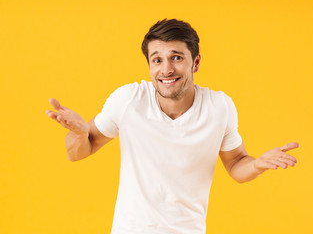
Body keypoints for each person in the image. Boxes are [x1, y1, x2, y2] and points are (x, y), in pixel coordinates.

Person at [46, 19, 299, 234]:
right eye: (157, 60)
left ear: (195, 62)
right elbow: (76, 152)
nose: (166, 69)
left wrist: (257, 165)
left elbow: (235, 164)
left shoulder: (219, 107)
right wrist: (79, 133)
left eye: (176, 58)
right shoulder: (128, 100)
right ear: (149, 65)